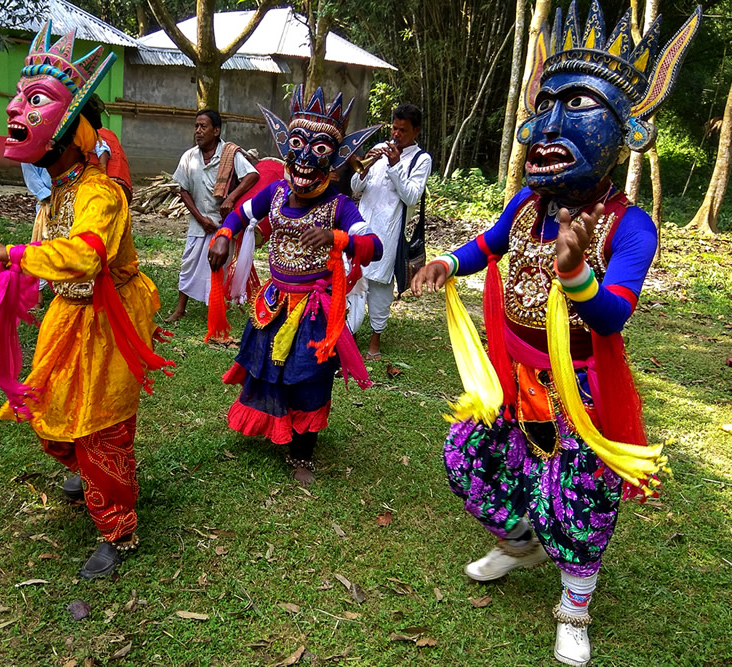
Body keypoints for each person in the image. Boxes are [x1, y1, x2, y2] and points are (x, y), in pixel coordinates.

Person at [410, 4, 700, 665]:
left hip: (582, 399)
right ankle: (519, 542)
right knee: (469, 458)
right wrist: (448, 261)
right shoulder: (527, 204)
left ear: (627, 129)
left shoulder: (631, 226)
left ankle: (574, 605)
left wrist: (576, 275)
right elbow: (490, 243)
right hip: (513, 386)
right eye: (542, 104)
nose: (542, 125)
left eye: (573, 104)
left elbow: (613, 315)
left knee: (577, 497)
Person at [0, 23, 173, 579]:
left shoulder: (98, 191)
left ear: (72, 128)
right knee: (49, 414)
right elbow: (51, 259)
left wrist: (9, 253)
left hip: (111, 320)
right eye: (21, 99)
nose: (16, 111)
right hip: (68, 316)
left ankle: (118, 530)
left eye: (36, 100)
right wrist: (17, 278)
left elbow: (86, 256)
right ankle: (86, 468)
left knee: (102, 426)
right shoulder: (55, 192)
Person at [208, 86, 383, 485]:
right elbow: (239, 213)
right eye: (299, 145)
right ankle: (276, 426)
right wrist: (222, 234)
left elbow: (374, 246)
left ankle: (303, 451)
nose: (305, 160)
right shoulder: (276, 191)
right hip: (274, 301)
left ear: (334, 161)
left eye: (319, 150)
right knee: (268, 366)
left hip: (314, 311)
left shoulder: (340, 206)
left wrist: (337, 239)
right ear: (286, 148)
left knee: (308, 375)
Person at [347, 104, 431, 359]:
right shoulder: (380, 151)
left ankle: (375, 339)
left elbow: (411, 196)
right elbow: (355, 186)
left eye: (402, 130)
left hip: (389, 231)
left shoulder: (421, 159)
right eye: (394, 128)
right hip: (361, 224)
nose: (396, 134)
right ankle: (347, 333)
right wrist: (369, 165)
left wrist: (394, 167)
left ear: (415, 131)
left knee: (381, 285)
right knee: (351, 278)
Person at [165, 110, 258, 323]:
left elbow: (252, 175)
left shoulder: (230, 153)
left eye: (203, 126)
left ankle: (214, 311)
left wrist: (231, 198)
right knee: (188, 264)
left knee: (218, 268)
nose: (198, 131)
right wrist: (200, 218)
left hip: (224, 225)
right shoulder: (189, 157)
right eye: (196, 126)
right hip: (199, 224)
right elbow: (183, 190)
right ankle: (180, 309)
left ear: (216, 130)